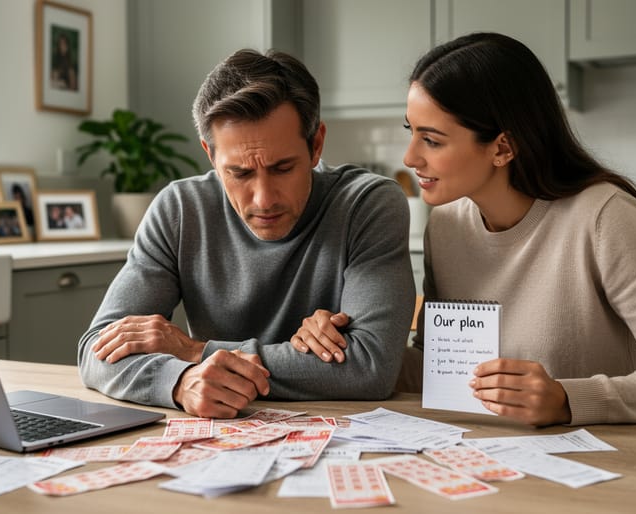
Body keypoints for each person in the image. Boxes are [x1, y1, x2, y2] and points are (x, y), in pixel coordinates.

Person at [400, 32, 636, 426]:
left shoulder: (605, 218)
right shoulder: (444, 227)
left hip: (616, 465)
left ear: (503, 148)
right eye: (412, 132)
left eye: (432, 140)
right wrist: (350, 348)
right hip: (495, 454)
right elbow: (437, 371)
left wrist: (567, 399)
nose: (410, 158)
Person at [78, 49, 415, 418]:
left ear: (316, 144)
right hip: (221, 438)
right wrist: (179, 382)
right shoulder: (179, 209)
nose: (264, 198)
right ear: (210, 154)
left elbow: (370, 367)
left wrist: (194, 351)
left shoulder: (367, 204)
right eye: (239, 173)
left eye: (283, 168)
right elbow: (97, 350)